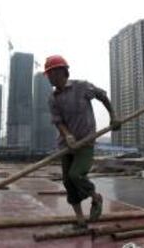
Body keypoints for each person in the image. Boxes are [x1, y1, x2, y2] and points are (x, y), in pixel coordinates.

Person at [44, 55, 121, 229]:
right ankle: (80, 220)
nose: (48, 77)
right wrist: (68, 136)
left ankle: (96, 198)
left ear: (60, 72)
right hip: (66, 145)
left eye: (49, 73)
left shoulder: (82, 87)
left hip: (86, 142)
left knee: (76, 175)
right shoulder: (52, 98)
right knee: (67, 182)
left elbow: (102, 96)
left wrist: (113, 117)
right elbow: (58, 121)